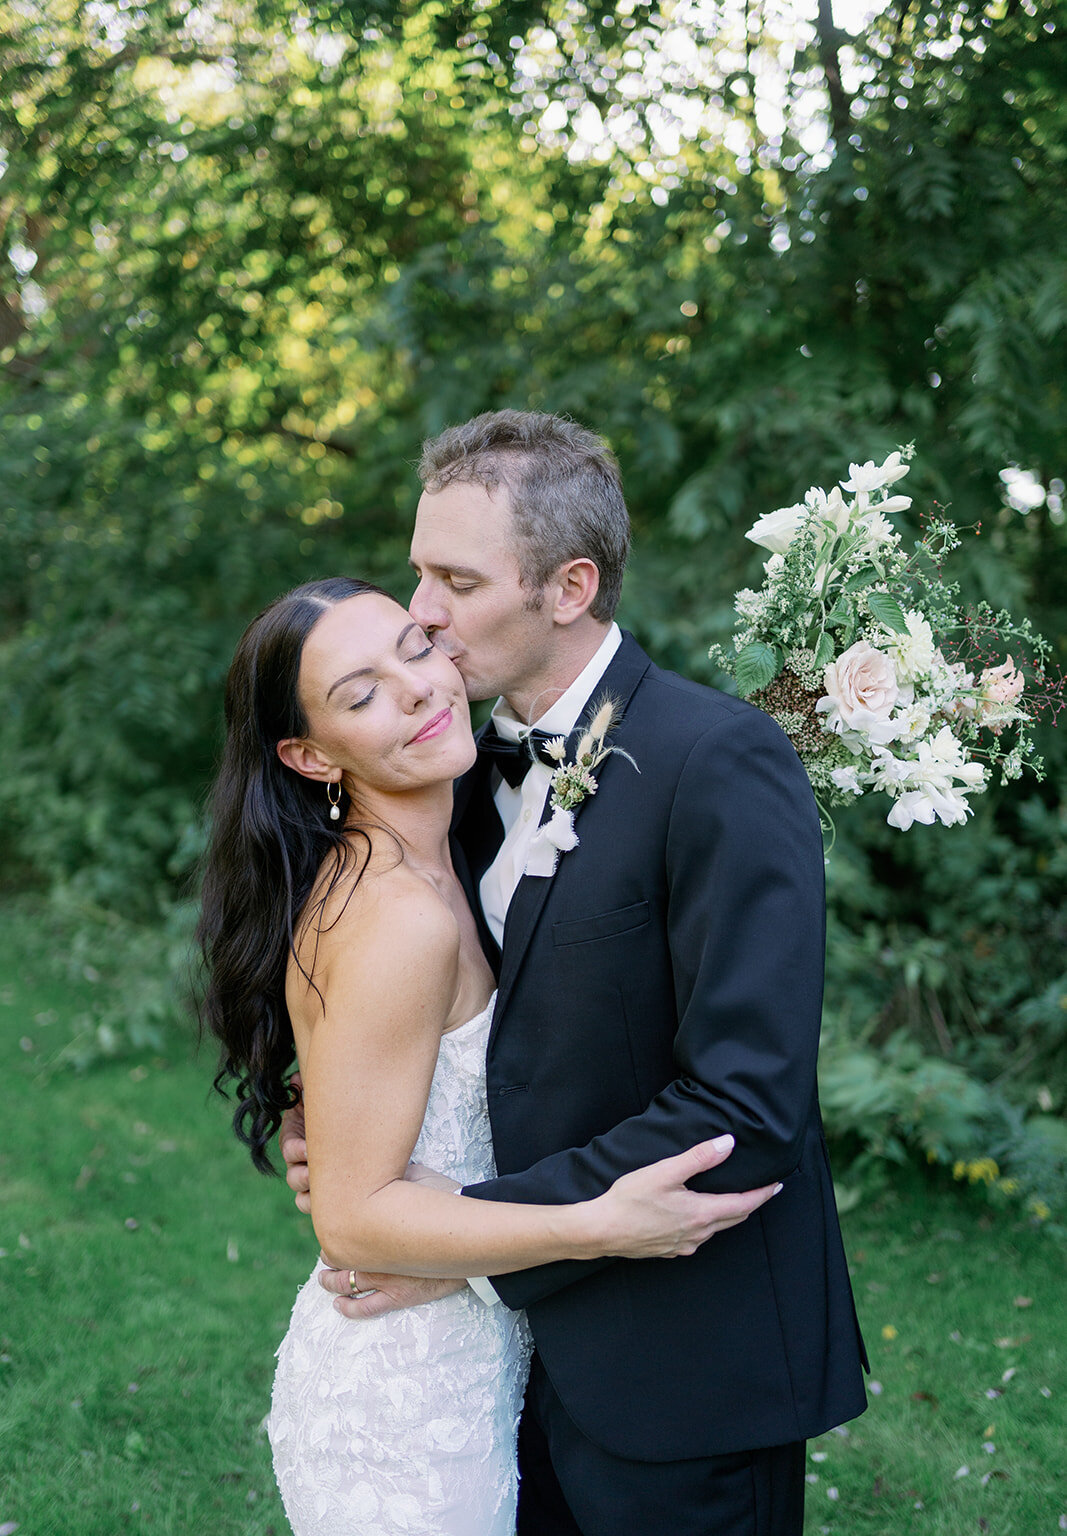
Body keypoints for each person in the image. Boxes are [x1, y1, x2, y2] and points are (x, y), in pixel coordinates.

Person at [284, 410, 868, 1536]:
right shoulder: (448, 773)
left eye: (455, 579)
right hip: (508, 1381)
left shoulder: (719, 761)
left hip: (682, 1370)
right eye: (418, 572)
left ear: (566, 588)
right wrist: (348, 1141)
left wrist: (460, 1245)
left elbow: (742, 1109)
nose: (422, 614)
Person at [196, 576, 784, 1536]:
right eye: (362, 694)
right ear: (307, 755)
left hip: (488, 1352)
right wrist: (597, 1222)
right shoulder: (395, 918)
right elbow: (353, 1221)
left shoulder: (450, 841)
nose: (418, 688)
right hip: (410, 1399)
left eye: (413, 649)